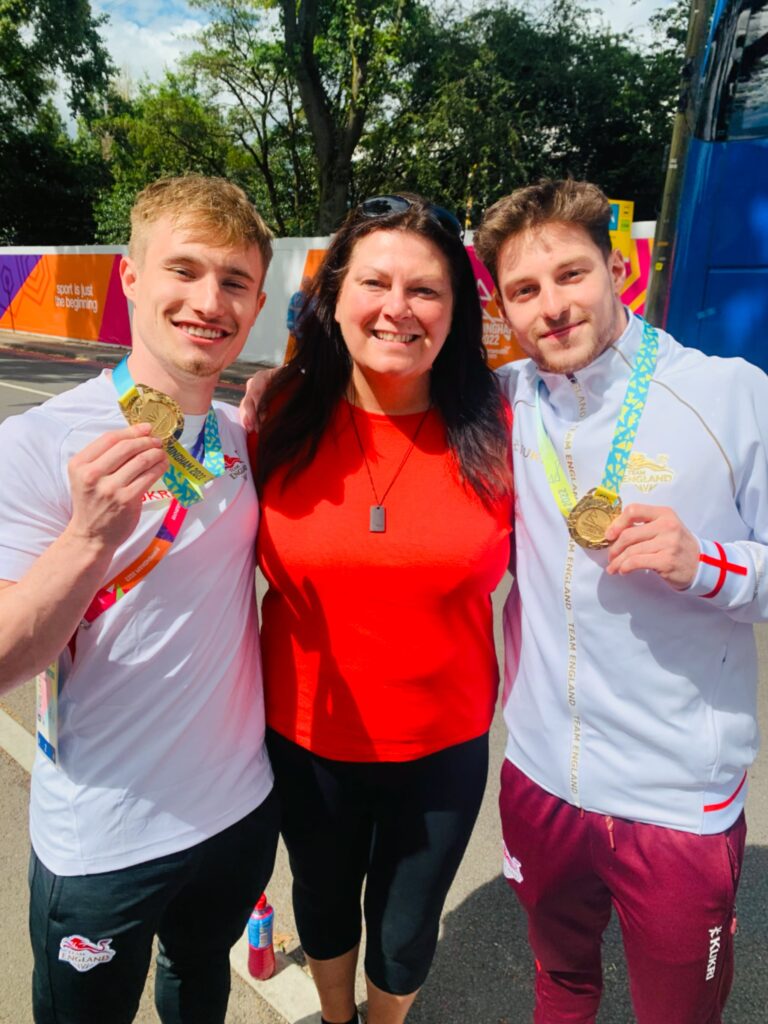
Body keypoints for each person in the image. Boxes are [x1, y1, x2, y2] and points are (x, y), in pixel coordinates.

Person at [472, 178, 768, 1024]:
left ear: (619, 266)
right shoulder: (505, 401)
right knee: (560, 985)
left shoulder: (728, 394)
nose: (552, 307)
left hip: (676, 798)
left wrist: (706, 562)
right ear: (504, 306)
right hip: (538, 778)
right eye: (525, 291)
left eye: (571, 275)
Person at [0, 175, 279, 1024]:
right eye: (184, 271)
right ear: (130, 278)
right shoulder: (38, 443)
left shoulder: (237, 434)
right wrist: (88, 536)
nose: (208, 301)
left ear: (257, 301)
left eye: (233, 281)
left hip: (238, 810)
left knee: (200, 987)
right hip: (105, 838)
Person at [253, 193, 513, 1024]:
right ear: (333, 298)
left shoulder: (504, 424)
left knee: (405, 926)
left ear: (457, 310)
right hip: (304, 736)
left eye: (426, 290)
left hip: (442, 743)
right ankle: (336, 1019)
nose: (397, 309)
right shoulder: (273, 420)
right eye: (374, 282)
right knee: (324, 906)